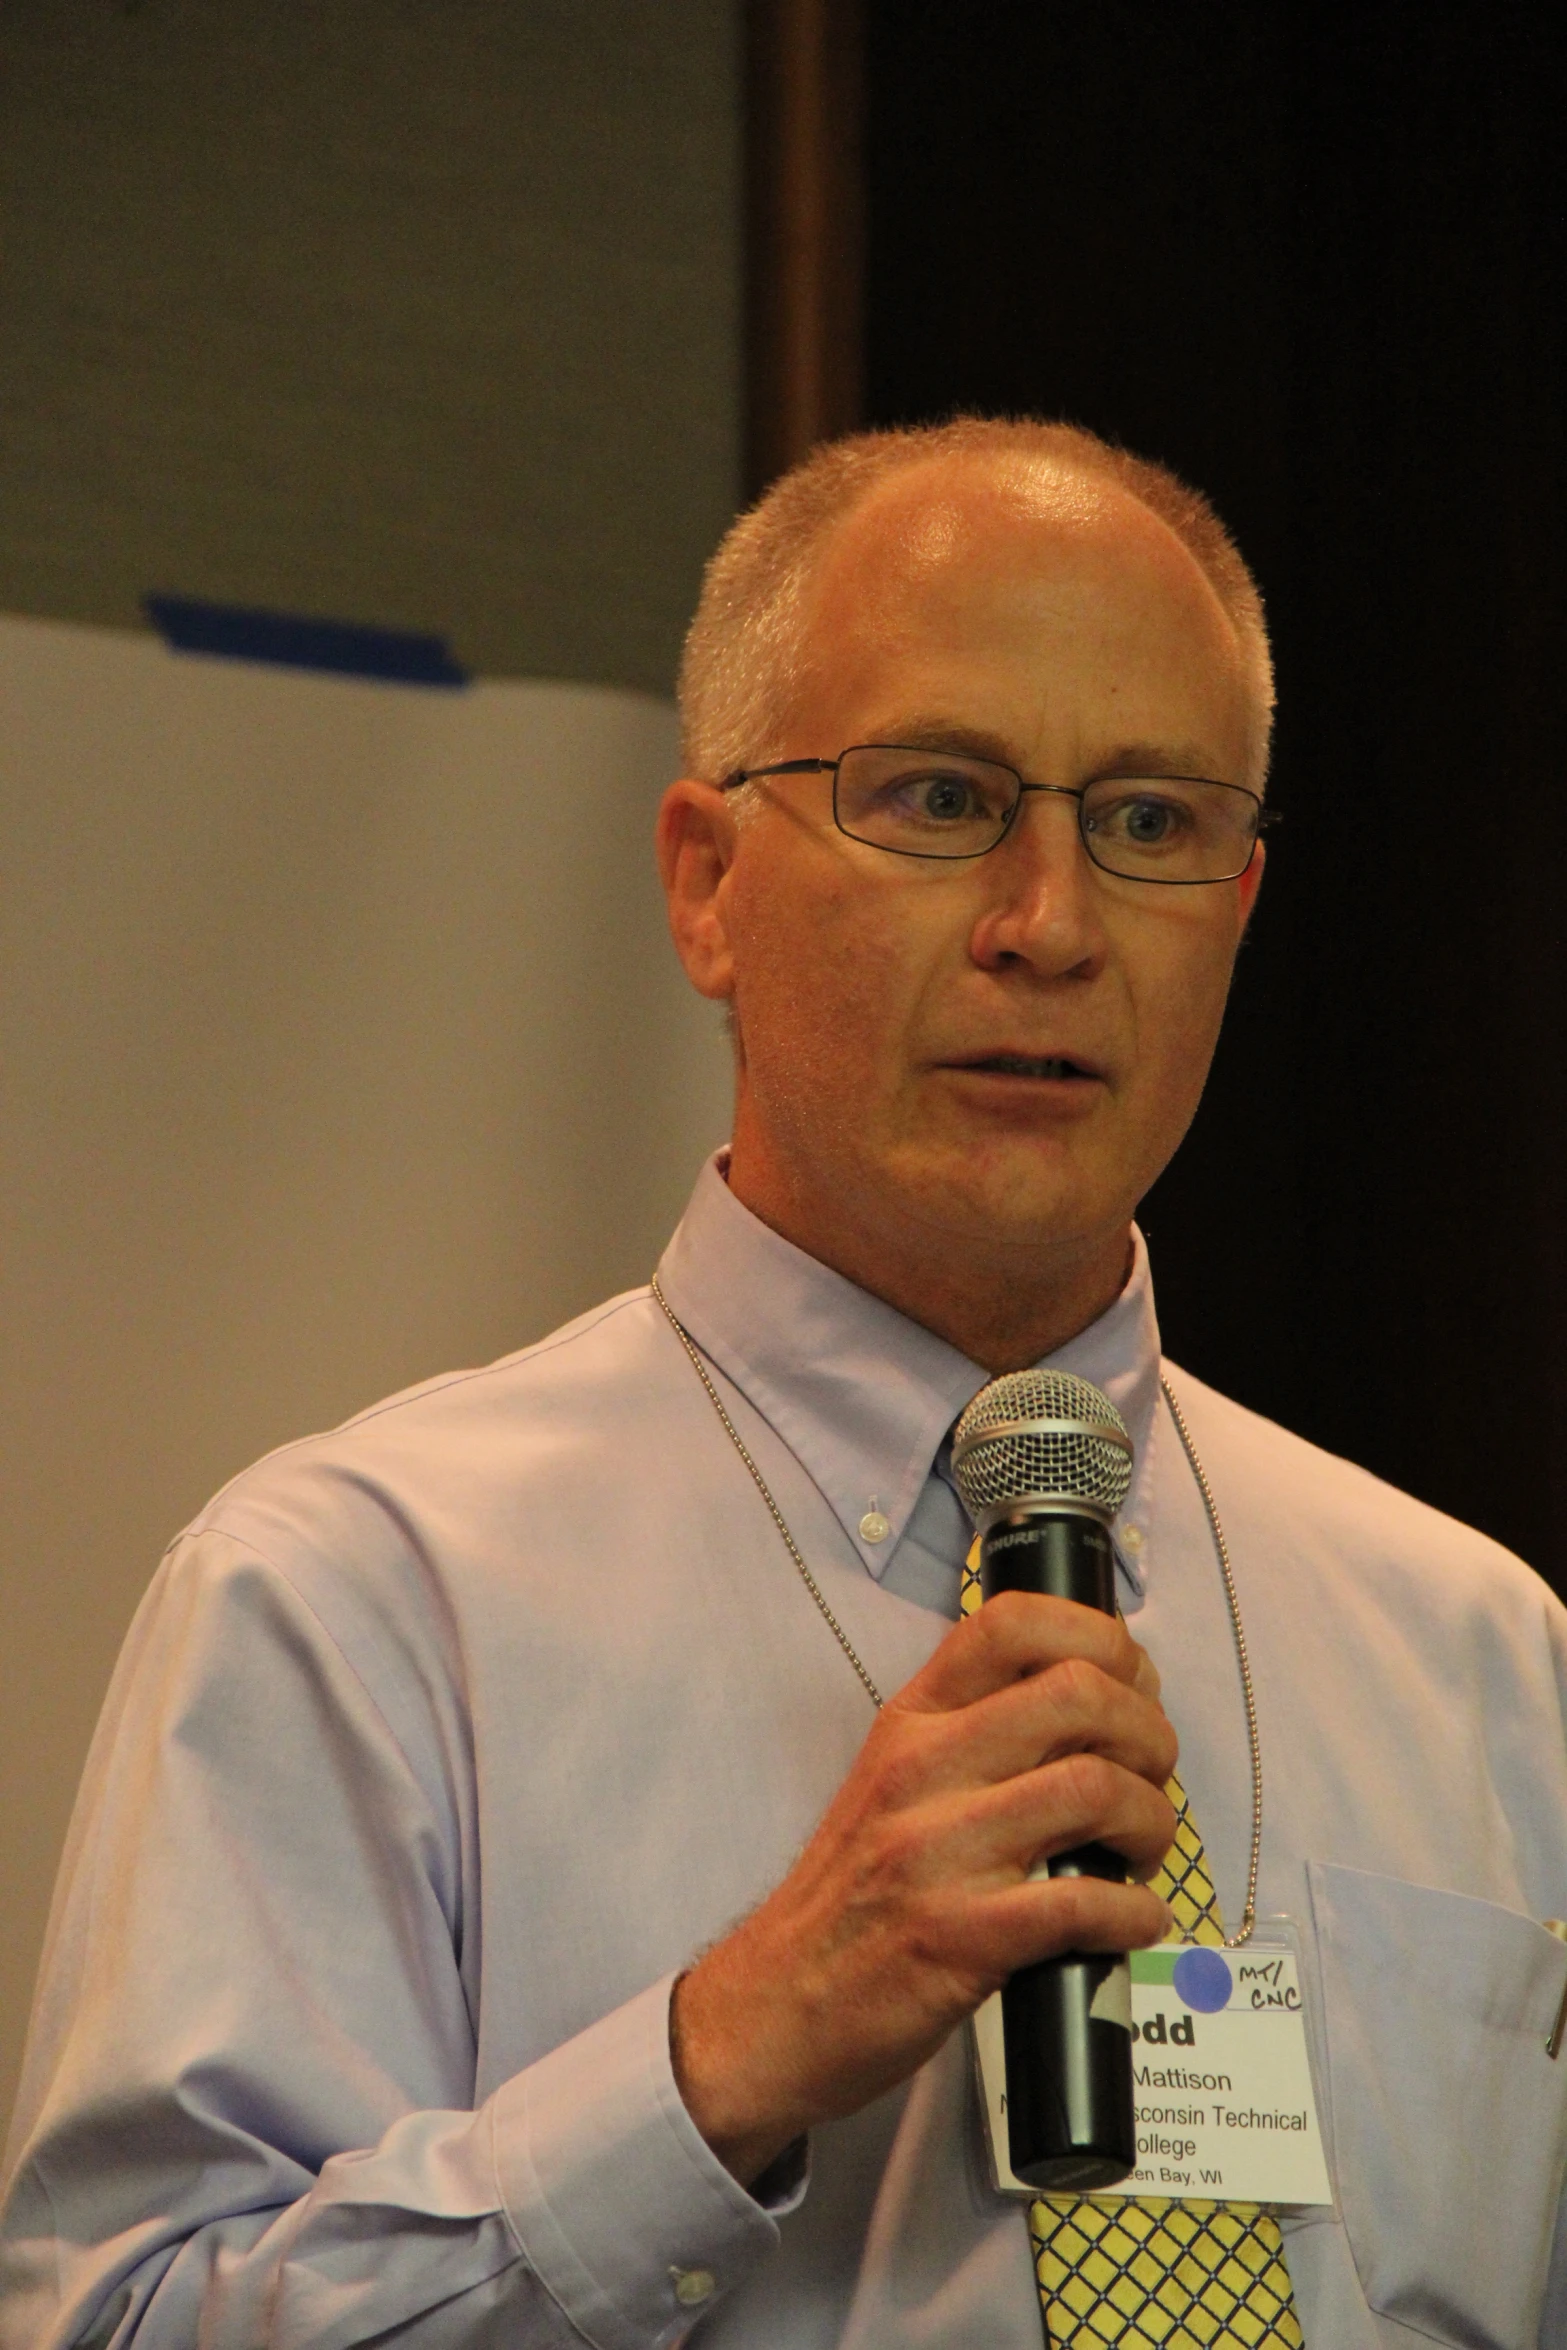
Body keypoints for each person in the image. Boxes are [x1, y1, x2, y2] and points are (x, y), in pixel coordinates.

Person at [3, 417, 1565, 2350]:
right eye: (937, 796)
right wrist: (722, 2053)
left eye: (1150, 822)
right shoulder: (359, 1595)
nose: (1050, 923)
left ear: (1237, 911)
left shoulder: (1482, 1651)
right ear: (705, 883)